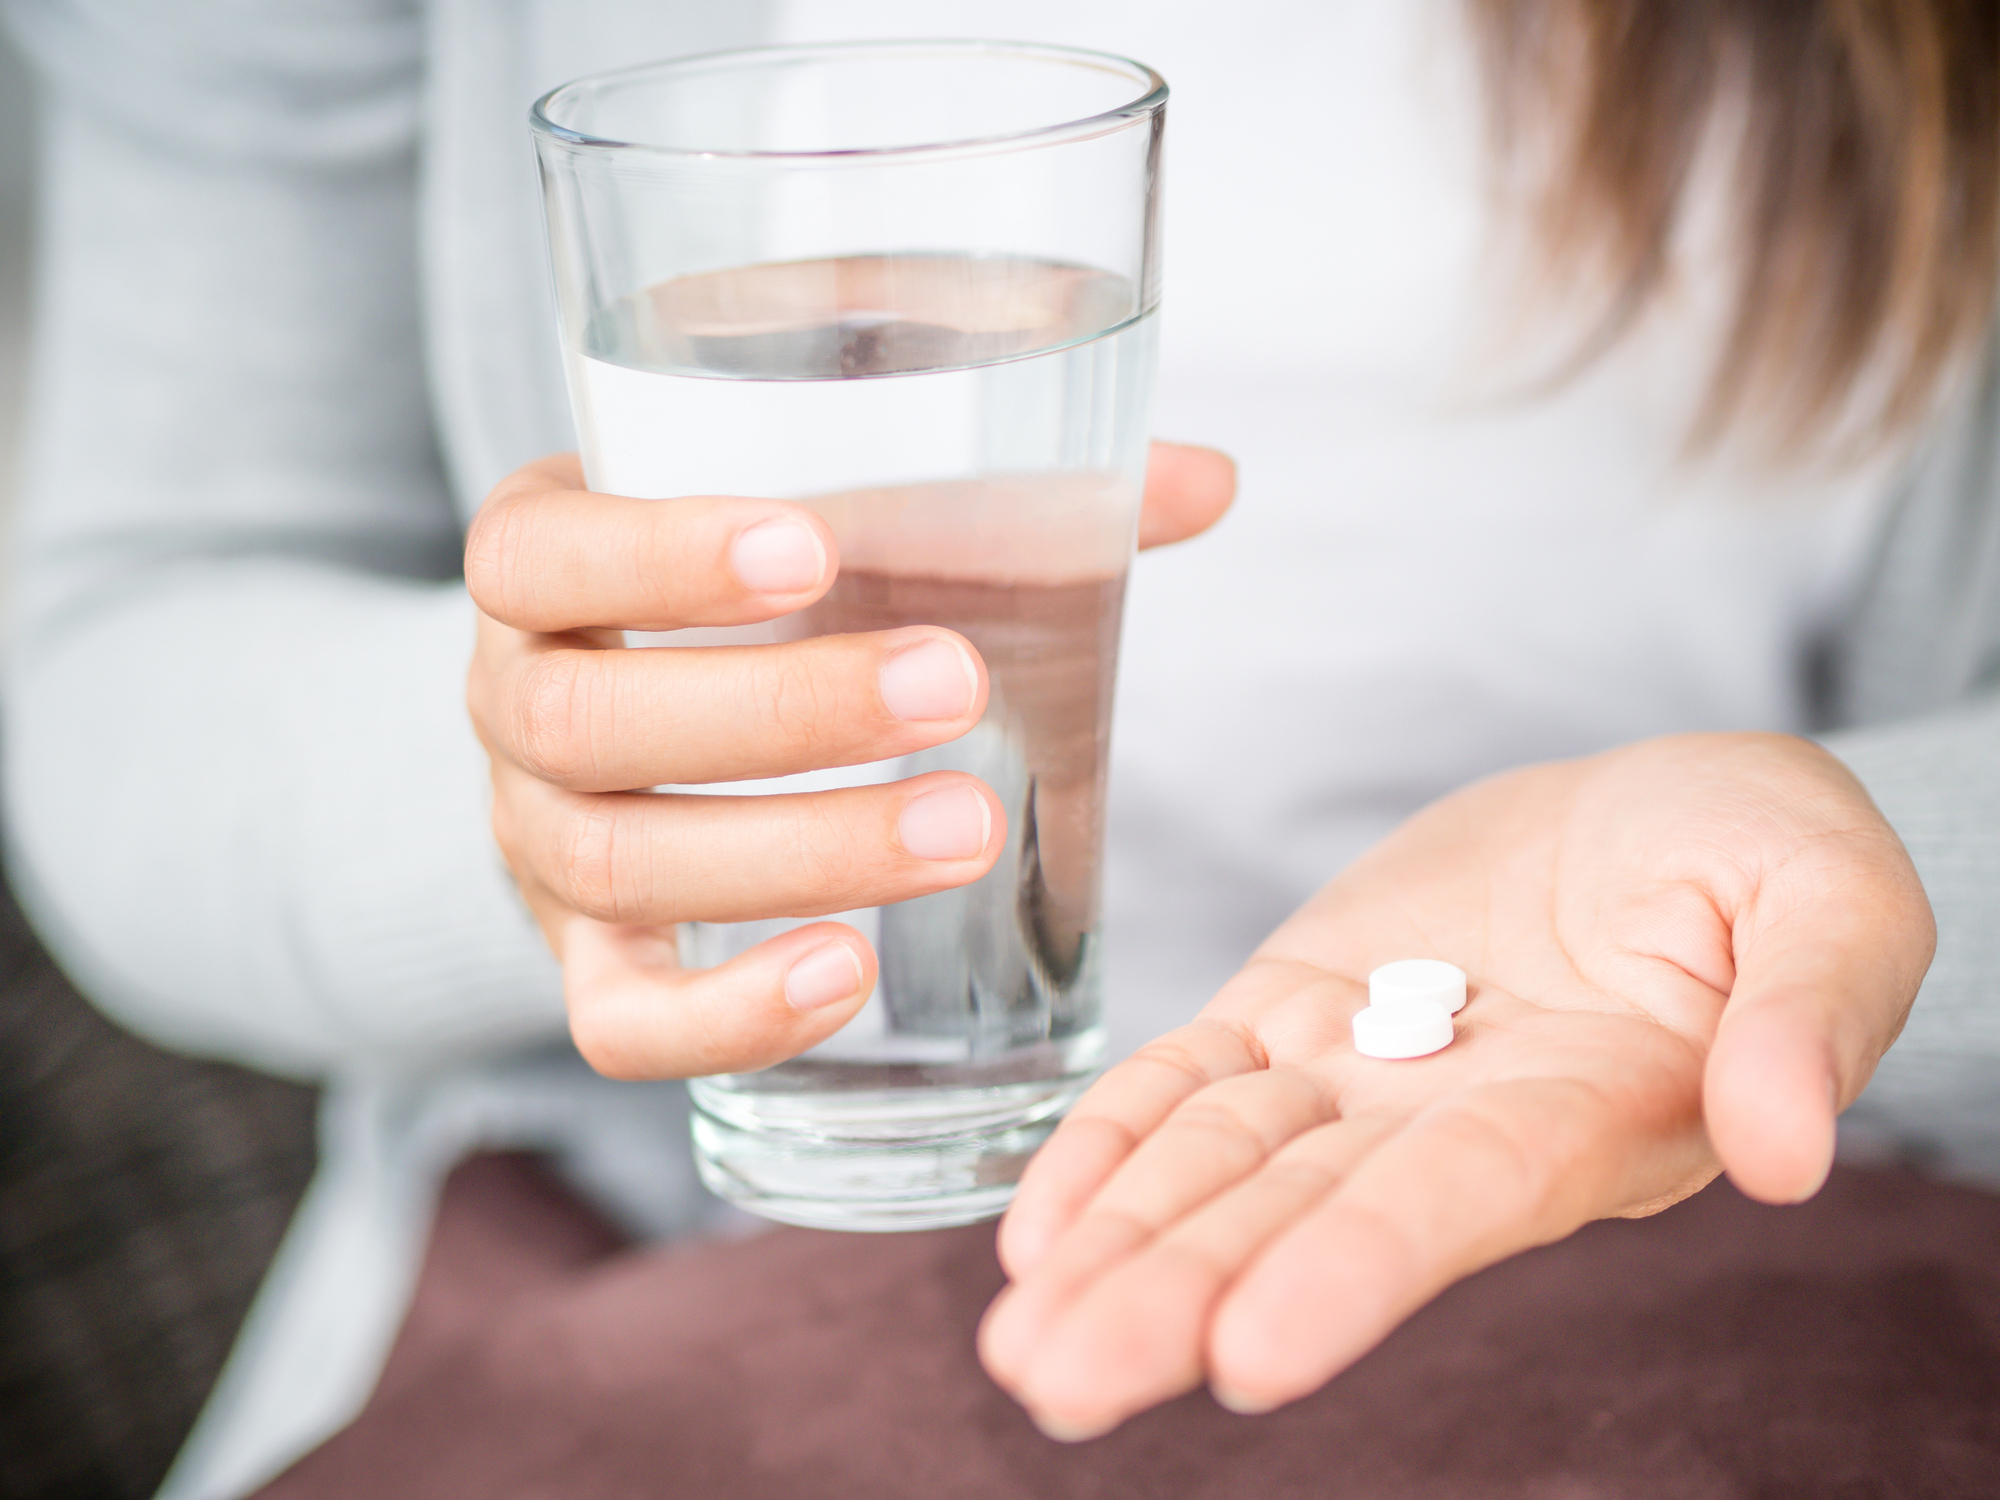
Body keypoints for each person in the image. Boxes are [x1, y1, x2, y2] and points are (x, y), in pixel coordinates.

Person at [1, 0, 1992, 1492]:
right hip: (671, 1239)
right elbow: (131, 669)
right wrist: (554, 777)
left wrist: (1878, 858)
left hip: (1697, 1189)